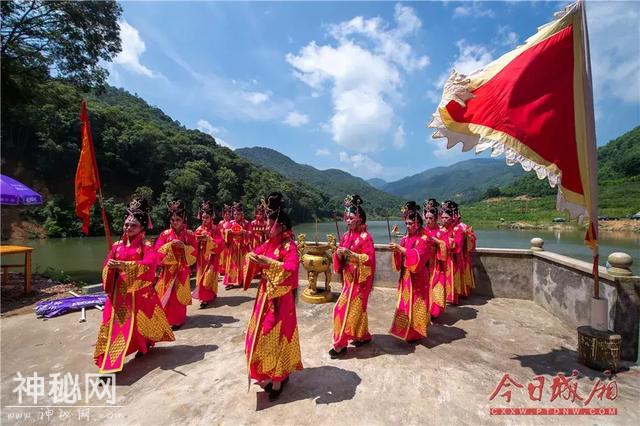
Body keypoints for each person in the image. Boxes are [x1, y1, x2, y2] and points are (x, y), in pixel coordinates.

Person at [94, 198, 174, 373]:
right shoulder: (116, 246)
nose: (128, 228)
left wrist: (124, 266)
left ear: (142, 228)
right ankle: (109, 363)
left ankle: (142, 345)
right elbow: (107, 266)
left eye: (133, 225)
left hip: (138, 293)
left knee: (138, 324)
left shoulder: (145, 247)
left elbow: (150, 265)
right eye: (126, 224)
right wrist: (110, 268)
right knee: (111, 325)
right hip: (117, 295)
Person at [243, 192, 303, 401]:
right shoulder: (269, 244)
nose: (266, 228)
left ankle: (279, 377)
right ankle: (269, 373)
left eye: (270, 224)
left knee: (275, 336)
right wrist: (251, 257)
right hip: (264, 297)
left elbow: (292, 267)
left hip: (280, 299)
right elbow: (255, 253)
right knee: (259, 335)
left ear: (281, 226)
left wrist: (269, 264)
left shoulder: (289, 246)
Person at [330, 194, 376, 358]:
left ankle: (339, 345)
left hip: (360, 282)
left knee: (341, 310)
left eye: (351, 217)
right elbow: (340, 257)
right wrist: (338, 254)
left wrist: (352, 255)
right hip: (349, 281)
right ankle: (363, 336)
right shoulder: (346, 236)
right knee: (357, 311)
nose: (348, 221)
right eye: (346, 218)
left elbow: (369, 259)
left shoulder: (366, 237)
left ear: (359, 218)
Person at [389, 201, 431, 342]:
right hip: (406, 277)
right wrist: (396, 252)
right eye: (406, 223)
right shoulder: (405, 239)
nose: (407, 226)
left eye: (410, 223)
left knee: (417, 304)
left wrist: (401, 250)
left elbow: (419, 257)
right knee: (405, 304)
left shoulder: (424, 238)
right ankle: (403, 329)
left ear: (417, 223)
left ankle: (416, 332)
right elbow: (400, 261)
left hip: (418, 277)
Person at [154, 199, 198, 329]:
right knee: (165, 292)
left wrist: (184, 247)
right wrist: (169, 246)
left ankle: (178, 319)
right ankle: (166, 317)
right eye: (172, 220)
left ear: (183, 219)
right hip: (168, 270)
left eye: (177, 219)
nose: (175, 222)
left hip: (182, 269)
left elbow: (195, 252)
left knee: (178, 295)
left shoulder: (190, 234)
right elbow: (157, 252)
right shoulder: (164, 234)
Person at [192, 200, 224, 308]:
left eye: (207, 217)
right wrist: (197, 240)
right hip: (201, 258)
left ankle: (210, 294)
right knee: (202, 277)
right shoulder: (198, 229)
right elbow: (193, 244)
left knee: (210, 276)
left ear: (211, 218)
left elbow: (221, 242)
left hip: (212, 257)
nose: (204, 220)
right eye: (203, 217)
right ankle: (204, 299)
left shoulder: (216, 229)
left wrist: (210, 240)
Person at [423, 199, 448, 318]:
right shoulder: (422, 231)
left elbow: (446, 246)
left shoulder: (441, 231)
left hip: (437, 265)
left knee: (437, 287)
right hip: (425, 264)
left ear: (436, 219)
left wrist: (437, 242)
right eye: (426, 218)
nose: (428, 220)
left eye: (431, 218)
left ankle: (434, 312)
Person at [440, 200, 464, 305]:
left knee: (452, 278)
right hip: (441, 258)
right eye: (443, 217)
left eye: (446, 218)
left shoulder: (458, 229)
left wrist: (447, 242)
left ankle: (452, 297)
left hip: (452, 259)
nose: (444, 220)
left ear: (452, 218)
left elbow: (457, 245)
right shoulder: (440, 229)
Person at [222, 202, 250, 289]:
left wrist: (244, 232)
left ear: (242, 214)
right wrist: (228, 232)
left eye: (238, 214)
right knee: (232, 264)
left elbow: (250, 233)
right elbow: (224, 231)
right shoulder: (231, 222)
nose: (236, 216)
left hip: (242, 246)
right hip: (233, 246)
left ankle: (242, 280)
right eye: (234, 214)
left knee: (242, 263)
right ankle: (230, 282)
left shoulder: (246, 223)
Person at [218, 204, 233, 277]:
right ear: (223, 215)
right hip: (222, 240)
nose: (227, 215)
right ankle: (222, 270)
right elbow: (218, 232)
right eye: (225, 214)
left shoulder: (232, 222)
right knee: (222, 256)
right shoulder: (221, 223)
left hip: (229, 241)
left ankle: (227, 269)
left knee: (228, 256)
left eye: (228, 214)